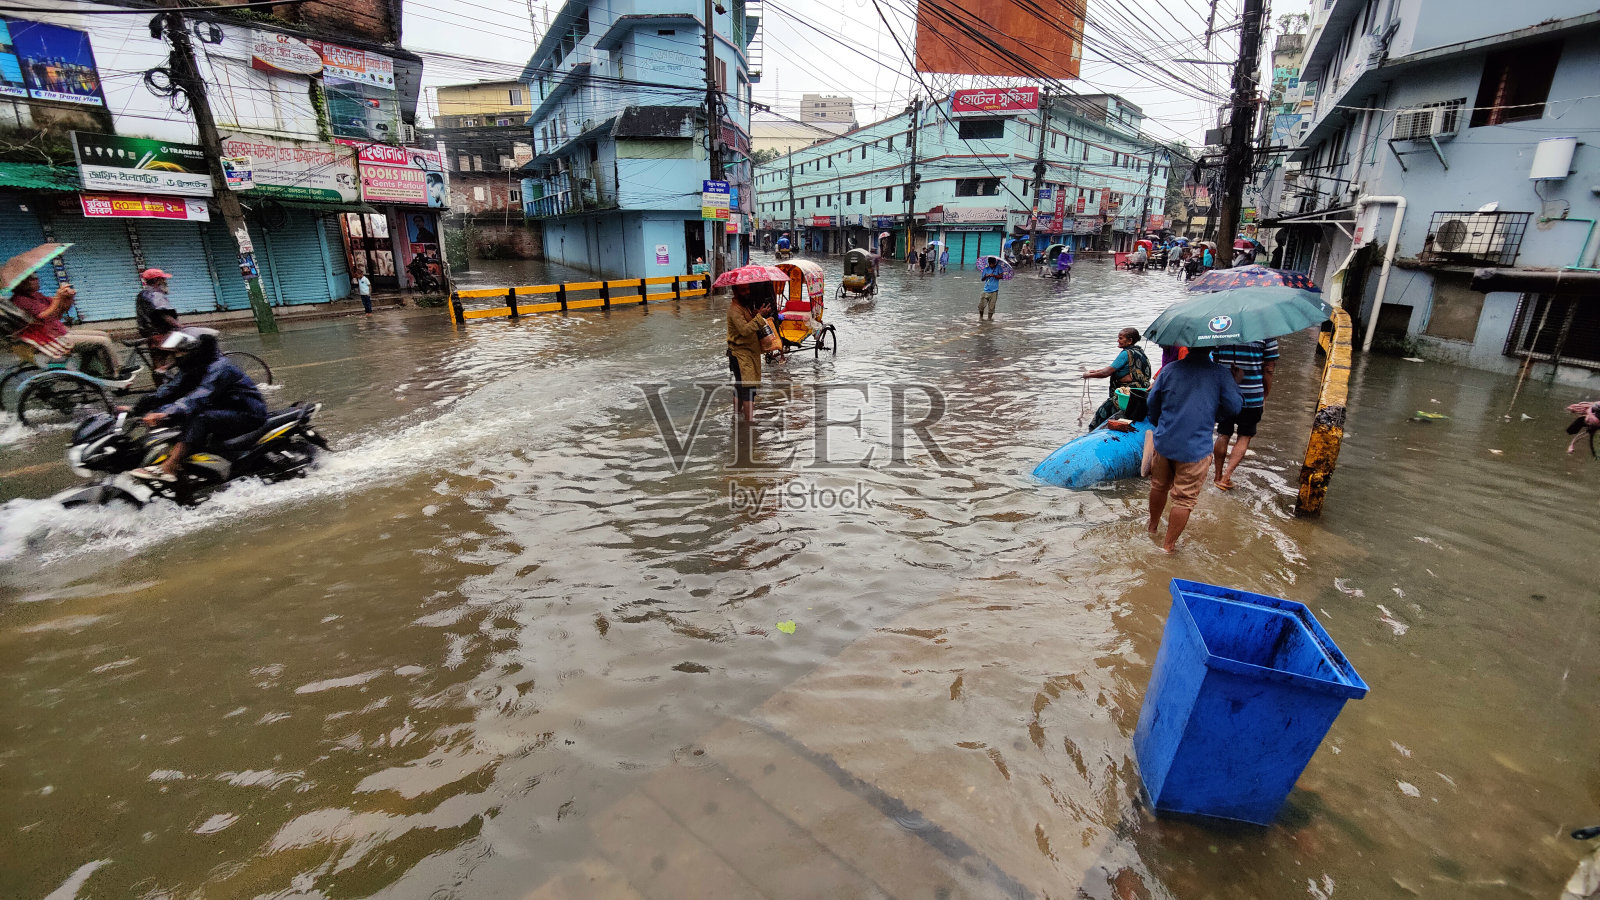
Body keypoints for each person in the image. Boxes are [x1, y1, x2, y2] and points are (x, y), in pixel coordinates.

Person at [128, 330, 268, 482]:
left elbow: (200, 396)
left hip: (248, 414)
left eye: (180, 352)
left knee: (200, 418)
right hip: (221, 410)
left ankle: (170, 467)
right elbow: (169, 391)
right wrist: (135, 410)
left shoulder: (220, 368)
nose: (176, 356)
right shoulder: (195, 367)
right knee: (171, 417)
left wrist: (166, 413)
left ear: (198, 350)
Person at [1145, 347, 1243, 552]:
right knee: (1183, 499)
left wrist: (1161, 425)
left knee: (1158, 486)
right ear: (1212, 347)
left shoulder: (1170, 369)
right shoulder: (1221, 374)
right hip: (1195, 447)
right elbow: (1234, 407)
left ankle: (1151, 529)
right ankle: (1167, 548)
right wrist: (1235, 382)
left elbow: (1152, 403)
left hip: (1165, 441)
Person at [8, 273, 117, 377]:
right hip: (52, 339)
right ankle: (115, 374)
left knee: (103, 335)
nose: (37, 280)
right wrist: (58, 297)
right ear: (22, 283)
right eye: (32, 278)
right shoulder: (21, 300)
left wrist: (68, 298)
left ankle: (88, 371)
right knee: (104, 342)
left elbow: (58, 312)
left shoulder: (36, 296)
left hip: (59, 332)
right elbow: (43, 315)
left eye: (36, 276)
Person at [1211, 339, 1279, 490]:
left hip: (1226, 395)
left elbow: (1216, 361)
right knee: (1245, 435)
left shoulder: (1223, 330)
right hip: (1252, 395)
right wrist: (1264, 395)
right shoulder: (1267, 333)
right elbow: (1269, 369)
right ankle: (1226, 477)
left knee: (1223, 434)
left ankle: (1217, 476)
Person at [1082, 327, 1153, 430]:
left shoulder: (1126, 353)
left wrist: (1088, 375)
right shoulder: (1140, 352)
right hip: (1141, 393)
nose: (1118, 340)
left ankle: (1092, 431)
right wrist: (1095, 371)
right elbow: (1113, 368)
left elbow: (1106, 373)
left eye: (1120, 338)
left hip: (1128, 394)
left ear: (1130, 341)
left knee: (1100, 414)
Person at [726, 280, 776, 423]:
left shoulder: (743, 307)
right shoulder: (734, 310)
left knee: (740, 386)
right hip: (740, 355)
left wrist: (755, 314)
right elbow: (745, 330)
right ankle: (749, 423)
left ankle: (737, 417)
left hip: (747, 354)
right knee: (748, 388)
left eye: (748, 289)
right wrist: (759, 317)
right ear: (735, 292)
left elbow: (748, 324)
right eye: (743, 290)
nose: (747, 292)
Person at [135, 268, 181, 341]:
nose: (165, 281)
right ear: (156, 280)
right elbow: (164, 315)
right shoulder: (155, 294)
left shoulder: (142, 293)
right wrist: (179, 326)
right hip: (160, 332)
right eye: (163, 279)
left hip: (147, 331)